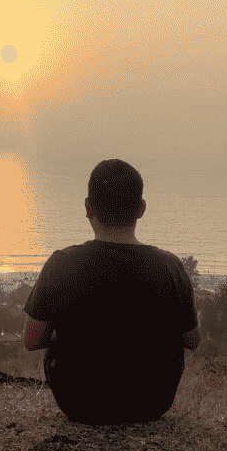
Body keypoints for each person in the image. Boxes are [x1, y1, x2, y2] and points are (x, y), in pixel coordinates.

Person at [23, 159, 200, 425]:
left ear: (88, 207)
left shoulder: (61, 263)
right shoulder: (170, 266)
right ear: (141, 209)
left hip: (80, 403)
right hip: (151, 403)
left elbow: (33, 340)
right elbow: (192, 340)